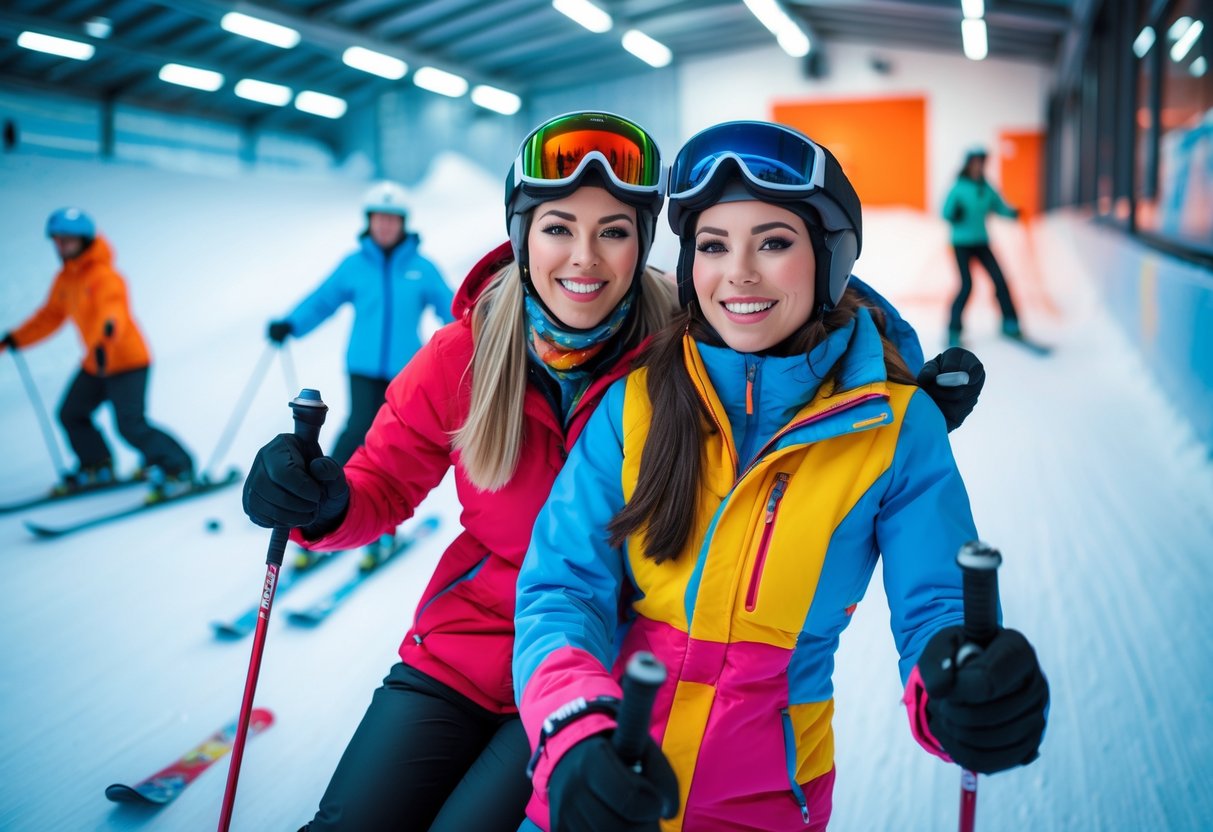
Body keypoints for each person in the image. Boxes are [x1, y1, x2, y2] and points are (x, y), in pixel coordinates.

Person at [240, 111, 983, 832]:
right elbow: (383, 483)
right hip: (465, 651)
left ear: (645, 248)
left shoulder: (679, 342)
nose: (584, 259)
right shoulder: (464, 355)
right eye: (558, 228)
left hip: (607, 664)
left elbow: (792, 326)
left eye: (614, 232)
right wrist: (323, 501)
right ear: (521, 239)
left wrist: (892, 398)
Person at [512, 121, 1048, 832]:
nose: (738, 272)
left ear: (829, 261)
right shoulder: (637, 401)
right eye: (712, 245)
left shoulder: (897, 429)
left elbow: (935, 608)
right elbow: (562, 586)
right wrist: (574, 729)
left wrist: (956, 684)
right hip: (604, 783)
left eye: (772, 242)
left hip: (763, 804)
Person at [266, 181, 454, 569]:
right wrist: (291, 324)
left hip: (407, 374)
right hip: (362, 367)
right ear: (369, 222)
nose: (385, 226)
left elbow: (450, 309)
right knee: (355, 435)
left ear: (403, 223)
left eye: (392, 219)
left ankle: (381, 534)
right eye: (378, 219)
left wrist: (485, 339)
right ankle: (318, 508)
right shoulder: (355, 265)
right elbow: (323, 300)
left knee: (392, 448)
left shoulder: (422, 267)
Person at [1, 208, 195, 500]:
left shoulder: (105, 276)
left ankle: (179, 468)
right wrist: (15, 339)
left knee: (130, 425)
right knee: (71, 413)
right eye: (58, 240)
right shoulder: (65, 280)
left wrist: (107, 334)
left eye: (68, 240)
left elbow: (113, 311)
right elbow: (50, 316)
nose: (62, 246)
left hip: (127, 361)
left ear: (85, 240)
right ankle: (96, 465)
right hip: (96, 362)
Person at [942, 146, 1025, 348]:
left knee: (1000, 280)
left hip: (981, 242)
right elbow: (945, 211)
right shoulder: (958, 188)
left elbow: (999, 206)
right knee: (966, 285)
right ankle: (953, 331)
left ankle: (1010, 323)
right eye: (975, 163)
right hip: (961, 243)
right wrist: (954, 214)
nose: (979, 167)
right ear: (969, 165)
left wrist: (1012, 213)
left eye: (982, 163)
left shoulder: (986, 189)